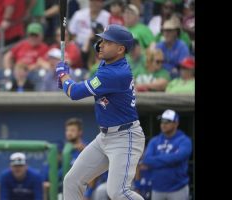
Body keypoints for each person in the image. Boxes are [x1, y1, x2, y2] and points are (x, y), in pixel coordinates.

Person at [56, 24, 145, 200]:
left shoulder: (116, 73)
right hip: (104, 137)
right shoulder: (109, 62)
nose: (101, 44)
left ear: (121, 49)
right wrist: (67, 83)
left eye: (107, 42)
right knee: (72, 180)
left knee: (118, 192)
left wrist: (64, 77)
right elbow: (77, 87)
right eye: (102, 40)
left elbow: (74, 93)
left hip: (125, 137)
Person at [141, 109, 192, 200]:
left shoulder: (184, 140)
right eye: (162, 121)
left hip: (178, 188)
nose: (163, 124)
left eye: (167, 121)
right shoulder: (154, 141)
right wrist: (171, 159)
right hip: (157, 188)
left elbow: (179, 157)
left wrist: (156, 160)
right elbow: (147, 160)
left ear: (176, 123)